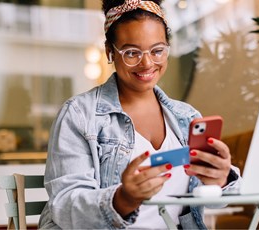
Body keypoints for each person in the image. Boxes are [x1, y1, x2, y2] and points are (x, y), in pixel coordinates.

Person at [38, 0, 241, 229]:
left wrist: (221, 180)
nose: (147, 63)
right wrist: (123, 199)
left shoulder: (187, 118)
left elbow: (216, 201)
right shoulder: (79, 115)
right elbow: (65, 206)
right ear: (110, 52)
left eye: (157, 51)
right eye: (132, 52)